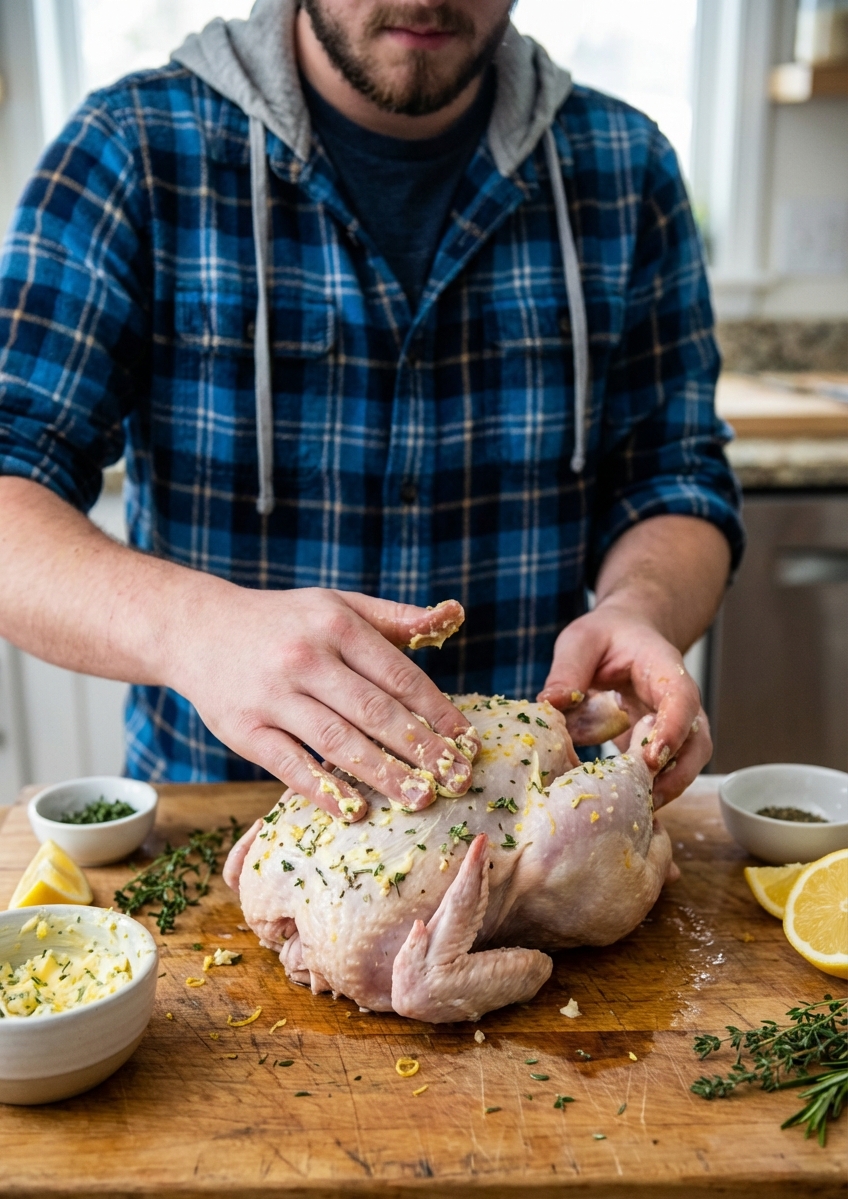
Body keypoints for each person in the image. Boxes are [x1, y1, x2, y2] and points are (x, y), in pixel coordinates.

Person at [0, 0, 742, 822]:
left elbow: (673, 479)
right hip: (221, 810)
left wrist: (640, 608)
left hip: (538, 824)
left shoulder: (626, 168)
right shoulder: (129, 148)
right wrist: (191, 626)